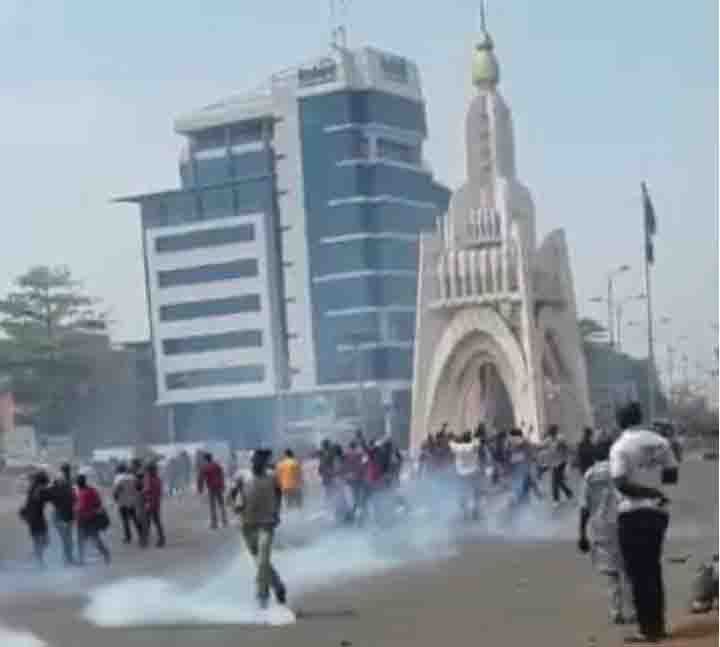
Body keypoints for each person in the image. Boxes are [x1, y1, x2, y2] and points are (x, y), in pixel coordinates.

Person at [610, 402, 679, 643]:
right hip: (658, 513)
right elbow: (672, 474)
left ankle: (646, 629)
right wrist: (657, 491)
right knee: (653, 569)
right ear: (640, 417)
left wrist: (647, 492)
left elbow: (620, 483)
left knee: (638, 574)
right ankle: (658, 625)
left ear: (619, 421)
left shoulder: (621, 446)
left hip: (632, 513)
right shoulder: (660, 442)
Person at [578, 441, 634, 625]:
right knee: (627, 569)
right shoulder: (620, 470)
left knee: (611, 573)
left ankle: (615, 611)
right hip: (623, 521)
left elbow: (584, 507)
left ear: (594, 456)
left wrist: (581, 534)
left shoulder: (590, 474)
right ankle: (632, 611)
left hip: (600, 526)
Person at [230, 449, 287, 609]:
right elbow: (232, 493)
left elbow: (278, 493)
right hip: (247, 525)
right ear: (251, 460)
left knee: (263, 559)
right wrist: (236, 505)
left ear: (265, 461)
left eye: (261, 460)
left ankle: (262, 597)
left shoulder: (272, 476)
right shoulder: (242, 476)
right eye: (255, 459)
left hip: (266, 524)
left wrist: (276, 512)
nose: (258, 462)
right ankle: (278, 585)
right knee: (260, 562)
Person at [74, 473, 111, 565]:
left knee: (83, 540)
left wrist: (77, 508)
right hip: (89, 519)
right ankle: (105, 554)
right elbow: (98, 502)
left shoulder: (83, 492)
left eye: (78, 482)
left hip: (85, 519)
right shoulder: (91, 490)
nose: (78, 483)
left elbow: (81, 507)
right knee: (93, 539)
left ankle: (82, 559)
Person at [20, 471, 52, 567]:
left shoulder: (33, 488)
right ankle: (37, 559)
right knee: (44, 541)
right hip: (37, 519)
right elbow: (48, 496)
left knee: (39, 541)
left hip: (32, 518)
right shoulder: (39, 490)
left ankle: (38, 560)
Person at [449, 431, 481, 521]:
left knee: (462, 493)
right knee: (474, 493)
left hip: (461, 474)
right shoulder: (473, 446)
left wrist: (455, 438)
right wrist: (474, 436)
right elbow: (478, 442)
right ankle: (475, 511)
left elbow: (450, 443)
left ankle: (464, 513)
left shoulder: (457, 447)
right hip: (473, 473)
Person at [49, 463, 76, 565]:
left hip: (61, 514)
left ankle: (67, 558)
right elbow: (73, 498)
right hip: (64, 515)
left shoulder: (62, 482)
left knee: (66, 538)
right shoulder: (67, 483)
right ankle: (67, 559)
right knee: (67, 539)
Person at [113, 463, 142, 544]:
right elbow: (139, 487)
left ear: (118, 470)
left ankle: (128, 537)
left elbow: (116, 491)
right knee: (135, 519)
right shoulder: (132, 477)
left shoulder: (118, 479)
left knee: (125, 521)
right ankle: (141, 534)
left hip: (122, 502)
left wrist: (116, 499)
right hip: (132, 501)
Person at [198, 453, 228, 529]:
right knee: (221, 504)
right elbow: (222, 475)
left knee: (213, 506)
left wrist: (200, 489)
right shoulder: (217, 465)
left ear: (205, 459)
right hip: (219, 486)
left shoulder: (205, 467)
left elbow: (201, 478)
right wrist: (223, 485)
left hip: (211, 487)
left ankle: (214, 523)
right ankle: (225, 520)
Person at [546, 425, 573, 505]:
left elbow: (567, 448)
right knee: (558, 481)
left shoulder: (561, 439)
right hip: (554, 463)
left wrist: (568, 461)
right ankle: (568, 493)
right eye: (550, 432)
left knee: (554, 481)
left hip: (561, 462)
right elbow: (541, 445)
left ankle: (556, 499)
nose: (550, 434)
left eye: (551, 432)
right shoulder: (549, 440)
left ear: (555, 431)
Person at [143, 461, 166, 547]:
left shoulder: (148, 479)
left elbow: (146, 491)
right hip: (156, 503)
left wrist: (144, 496)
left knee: (147, 522)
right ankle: (161, 539)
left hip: (150, 503)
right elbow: (159, 491)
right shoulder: (158, 479)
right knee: (157, 522)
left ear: (149, 470)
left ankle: (145, 540)